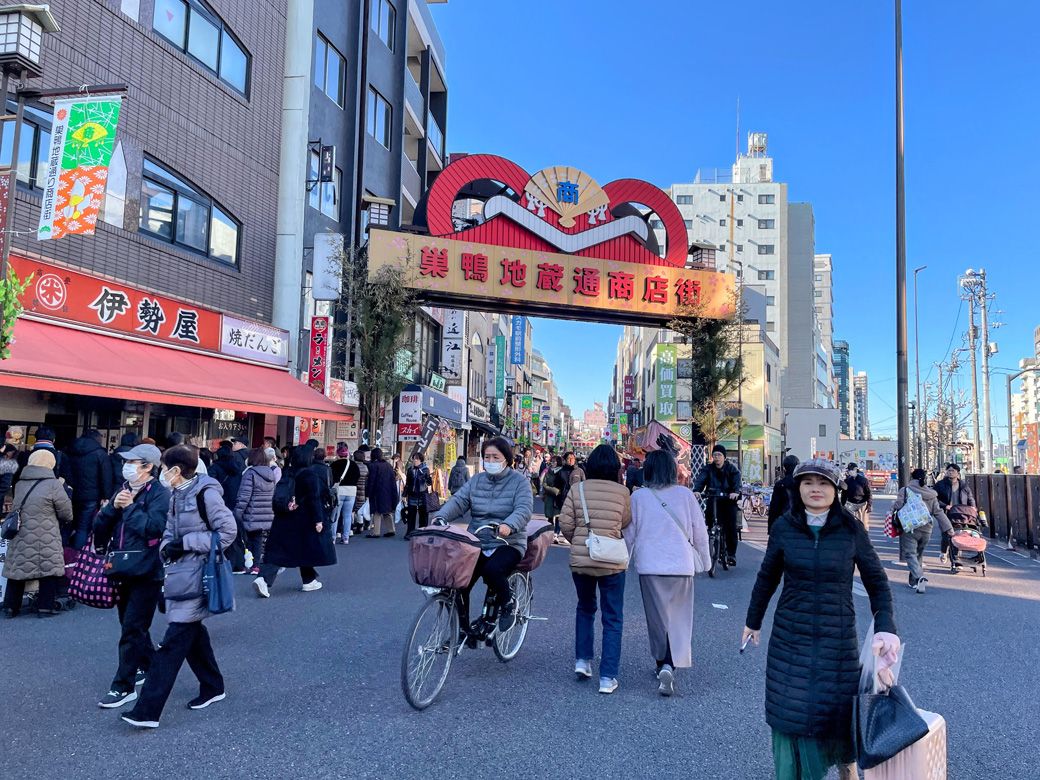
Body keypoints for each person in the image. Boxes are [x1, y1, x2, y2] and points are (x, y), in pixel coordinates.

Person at [742, 459, 899, 780]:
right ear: (798, 488)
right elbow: (767, 576)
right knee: (790, 711)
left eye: (823, 483)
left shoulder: (851, 529)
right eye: (808, 482)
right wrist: (753, 620)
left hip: (836, 640)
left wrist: (886, 628)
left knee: (835, 713)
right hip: (790, 637)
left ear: (836, 489)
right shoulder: (784, 527)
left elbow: (876, 581)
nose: (815, 489)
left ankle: (846, 766)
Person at [121, 445, 236, 729]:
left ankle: (147, 711)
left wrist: (184, 544)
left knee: (171, 645)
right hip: (179, 575)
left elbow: (227, 532)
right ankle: (213, 686)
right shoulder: (177, 494)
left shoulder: (206, 493)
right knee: (193, 636)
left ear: (176, 470)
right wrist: (166, 549)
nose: (161, 473)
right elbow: (169, 530)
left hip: (198, 577)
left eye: (164, 468)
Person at [625, 449, 711, 696]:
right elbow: (699, 531)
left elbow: (629, 533)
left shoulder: (639, 497)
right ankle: (670, 664)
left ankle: (661, 662)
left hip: (650, 566)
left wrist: (622, 560)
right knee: (679, 618)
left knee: (657, 619)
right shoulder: (685, 495)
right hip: (681, 566)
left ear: (648, 470)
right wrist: (705, 562)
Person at [93, 443, 170, 708]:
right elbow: (99, 527)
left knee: (132, 627)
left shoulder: (160, 494)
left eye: (132, 462)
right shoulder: (123, 490)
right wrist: (111, 509)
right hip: (121, 566)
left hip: (148, 569)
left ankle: (123, 686)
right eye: (126, 462)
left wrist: (128, 508)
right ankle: (148, 664)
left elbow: (154, 528)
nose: (126, 467)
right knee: (130, 623)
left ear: (148, 467)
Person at [434, 436, 533, 634]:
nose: (491, 461)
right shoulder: (477, 480)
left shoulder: (520, 482)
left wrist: (509, 525)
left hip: (508, 541)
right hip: (477, 540)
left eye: (495, 457)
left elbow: (524, 509)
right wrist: (440, 517)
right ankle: (462, 631)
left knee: (492, 570)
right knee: (458, 581)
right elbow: (459, 501)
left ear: (506, 458)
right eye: (487, 457)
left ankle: (508, 603)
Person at [558, 445, 631, 694]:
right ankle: (608, 677)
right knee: (613, 617)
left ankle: (582, 661)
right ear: (615, 468)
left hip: (582, 560)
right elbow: (625, 522)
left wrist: (580, 542)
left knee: (585, 608)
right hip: (612, 562)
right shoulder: (623, 492)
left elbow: (565, 523)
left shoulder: (577, 489)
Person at [252, 447, 336, 597]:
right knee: (294, 550)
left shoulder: (287, 472)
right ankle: (263, 579)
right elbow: (314, 499)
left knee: (287, 549)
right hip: (304, 519)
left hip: (284, 516)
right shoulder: (309, 474)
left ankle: (309, 579)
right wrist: (318, 520)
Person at [1, 450, 74, 617]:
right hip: (47, 533)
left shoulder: (20, 483)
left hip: (21, 533)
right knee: (48, 569)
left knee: (18, 568)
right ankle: (45, 607)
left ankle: (11, 607)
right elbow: (66, 513)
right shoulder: (54, 484)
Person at [892, 468, 953, 594]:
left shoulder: (905, 490)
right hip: (926, 529)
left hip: (910, 527)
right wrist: (949, 528)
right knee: (918, 554)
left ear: (911, 478)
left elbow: (898, 506)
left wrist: (894, 506)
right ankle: (913, 581)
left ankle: (919, 577)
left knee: (910, 554)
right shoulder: (931, 494)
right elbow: (938, 512)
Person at [692, 444, 742, 567]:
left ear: (724, 457)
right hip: (713, 499)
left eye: (719, 455)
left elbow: (737, 482)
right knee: (710, 521)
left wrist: (735, 492)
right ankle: (714, 542)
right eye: (714, 455)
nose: (717, 457)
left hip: (728, 500)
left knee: (731, 526)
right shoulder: (708, 469)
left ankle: (731, 554)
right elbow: (701, 480)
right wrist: (697, 490)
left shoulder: (732, 469)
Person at [66, 429, 115, 549]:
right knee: (83, 527)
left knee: (68, 524)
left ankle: (64, 551)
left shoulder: (69, 450)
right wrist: (106, 496)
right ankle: (77, 554)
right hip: (91, 496)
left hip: (70, 494)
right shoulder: (100, 453)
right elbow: (106, 476)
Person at [234, 448, 277, 575]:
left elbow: (244, 495)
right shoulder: (271, 473)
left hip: (251, 512)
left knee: (246, 539)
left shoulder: (250, 473)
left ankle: (248, 564)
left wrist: (237, 512)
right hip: (266, 512)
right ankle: (256, 566)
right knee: (257, 539)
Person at [934, 462, 979, 568]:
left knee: (958, 535)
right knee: (946, 535)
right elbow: (934, 498)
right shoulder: (940, 485)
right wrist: (945, 506)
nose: (950, 472)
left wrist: (973, 507)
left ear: (958, 473)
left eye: (952, 471)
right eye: (948, 470)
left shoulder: (963, 485)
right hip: (945, 513)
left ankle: (956, 561)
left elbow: (970, 498)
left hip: (960, 513)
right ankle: (943, 552)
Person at [364, 448, 400, 537]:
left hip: (377, 491)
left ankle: (376, 532)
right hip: (388, 491)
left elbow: (371, 481)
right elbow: (393, 480)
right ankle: (391, 529)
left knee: (377, 511)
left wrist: (368, 492)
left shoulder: (373, 466)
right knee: (387, 511)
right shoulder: (388, 465)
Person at [329, 443, 356, 544]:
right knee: (348, 516)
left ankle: (333, 537)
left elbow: (330, 478)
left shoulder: (334, 465)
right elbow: (357, 477)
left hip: (339, 491)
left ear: (338, 455)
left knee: (335, 515)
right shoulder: (353, 465)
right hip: (351, 491)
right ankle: (345, 538)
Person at [767, 454, 799, 532]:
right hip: (799, 522)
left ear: (784, 468)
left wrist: (771, 527)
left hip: (783, 520)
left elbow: (774, 507)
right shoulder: (802, 483)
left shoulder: (780, 484)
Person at [403, 453, 433, 533]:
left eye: (417, 459)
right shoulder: (410, 469)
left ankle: (422, 532)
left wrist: (427, 477)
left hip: (422, 495)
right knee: (411, 515)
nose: (415, 460)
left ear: (421, 460)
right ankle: (410, 532)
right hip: (412, 494)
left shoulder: (425, 469)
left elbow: (429, 483)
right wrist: (404, 495)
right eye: (414, 459)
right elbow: (407, 483)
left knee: (423, 515)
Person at [839, 462, 872, 530]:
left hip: (862, 503)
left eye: (851, 470)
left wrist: (869, 505)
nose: (849, 471)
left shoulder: (863, 480)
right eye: (849, 470)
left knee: (862, 523)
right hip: (850, 503)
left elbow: (869, 493)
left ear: (856, 469)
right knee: (849, 522)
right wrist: (842, 504)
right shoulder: (847, 480)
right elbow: (844, 493)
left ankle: (862, 533)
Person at [542, 456, 567, 543]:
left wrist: (559, 492)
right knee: (549, 516)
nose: (553, 463)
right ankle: (550, 533)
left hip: (559, 497)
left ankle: (556, 534)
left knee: (558, 516)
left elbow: (564, 484)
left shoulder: (562, 472)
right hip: (549, 497)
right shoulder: (548, 472)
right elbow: (544, 484)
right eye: (552, 461)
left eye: (554, 461)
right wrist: (554, 490)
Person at [351, 447, 370, 534]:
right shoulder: (366, 467)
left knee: (354, 509)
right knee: (361, 508)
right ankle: (364, 524)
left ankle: (357, 525)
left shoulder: (353, 466)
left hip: (354, 489)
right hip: (363, 490)